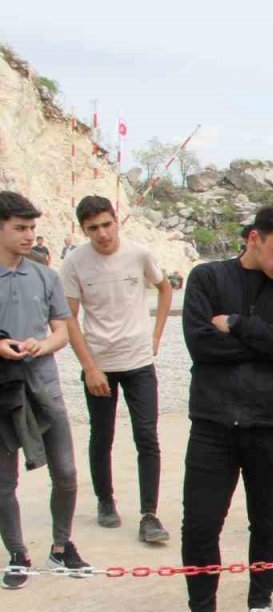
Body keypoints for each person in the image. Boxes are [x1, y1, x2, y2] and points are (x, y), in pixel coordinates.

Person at [165, 201, 273, 612]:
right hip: (213, 422)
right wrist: (264, 343)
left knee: (268, 521)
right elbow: (200, 344)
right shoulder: (207, 279)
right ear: (254, 238)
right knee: (200, 521)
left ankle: (260, 605)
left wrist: (237, 325)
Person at [61, 195, 173, 543]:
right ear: (83, 230)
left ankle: (149, 514)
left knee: (146, 435)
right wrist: (90, 367)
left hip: (138, 360)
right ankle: (105, 500)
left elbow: (164, 287)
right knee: (102, 435)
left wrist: (156, 336)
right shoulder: (74, 263)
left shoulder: (139, 254)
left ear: (117, 221)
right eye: (93, 228)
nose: (102, 234)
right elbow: (69, 318)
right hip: (100, 363)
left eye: (107, 224)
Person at [0, 192, 90, 589]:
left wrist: (43, 345)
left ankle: (61, 545)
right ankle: (17, 554)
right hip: (4, 387)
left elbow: (62, 331)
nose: (29, 236)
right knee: (4, 480)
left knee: (66, 471)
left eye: (32, 228)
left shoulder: (46, 276)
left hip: (44, 381)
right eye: (20, 228)